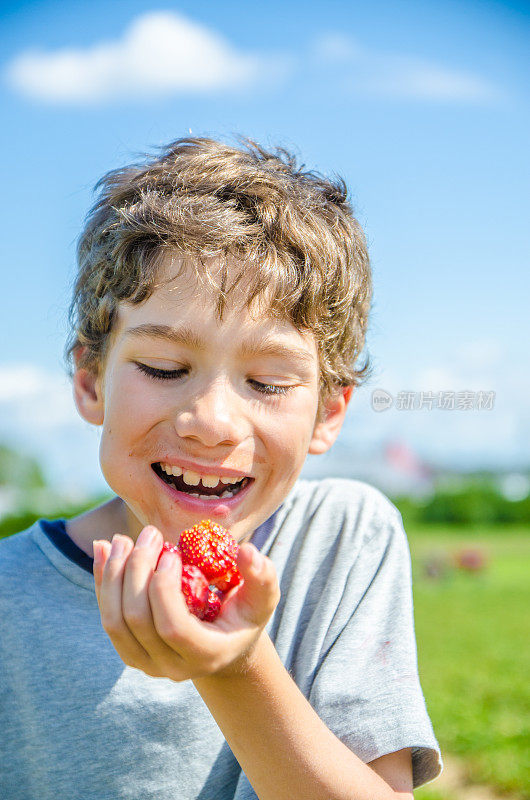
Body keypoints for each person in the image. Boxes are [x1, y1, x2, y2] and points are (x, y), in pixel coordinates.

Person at [0, 136, 442, 799]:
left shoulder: (343, 538)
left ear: (329, 413)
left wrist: (236, 669)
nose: (212, 422)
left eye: (266, 382)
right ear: (91, 381)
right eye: (164, 368)